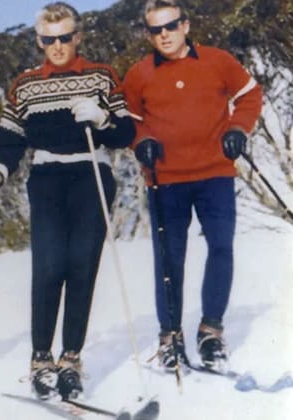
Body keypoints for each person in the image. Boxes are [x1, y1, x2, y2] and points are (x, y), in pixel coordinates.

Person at [0, 2, 135, 400]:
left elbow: (125, 133)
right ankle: (41, 359)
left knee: (82, 266)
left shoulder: (101, 76)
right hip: (47, 176)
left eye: (65, 37)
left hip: (91, 173)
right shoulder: (25, 84)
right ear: (39, 41)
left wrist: (102, 119)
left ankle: (71, 359)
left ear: (77, 36)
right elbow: (10, 141)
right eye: (49, 40)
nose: (58, 46)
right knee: (48, 267)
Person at [122, 0, 262, 374]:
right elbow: (129, 120)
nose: (164, 35)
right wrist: (141, 140)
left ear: (185, 25)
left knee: (221, 247)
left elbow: (250, 94)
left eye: (170, 26)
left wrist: (237, 129)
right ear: (148, 34)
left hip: (215, 174)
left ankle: (210, 331)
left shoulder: (217, 60)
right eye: (156, 30)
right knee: (169, 259)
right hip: (165, 179)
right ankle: (170, 337)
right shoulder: (139, 74)